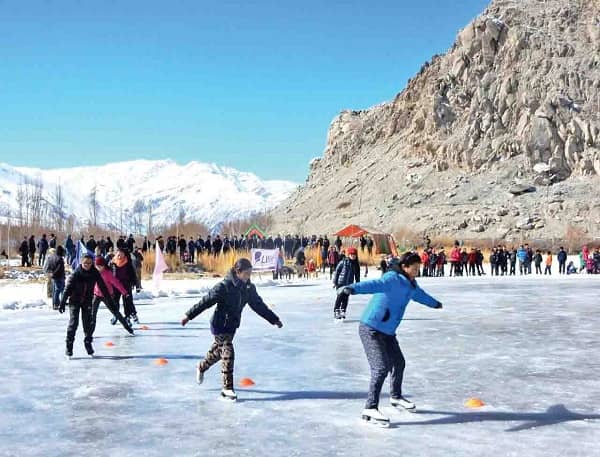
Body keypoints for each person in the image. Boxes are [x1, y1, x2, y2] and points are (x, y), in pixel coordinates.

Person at [339, 252, 443, 426]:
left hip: (388, 331)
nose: (417, 271)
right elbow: (374, 284)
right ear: (404, 266)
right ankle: (370, 408)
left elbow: (421, 296)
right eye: (414, 268)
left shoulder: (411, 285)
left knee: (399, 363)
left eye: (419, 268)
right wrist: (353, 288)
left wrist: (435, 303)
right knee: (381, 368)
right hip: (371, 328)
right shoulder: (392, 279)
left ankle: (395, 397)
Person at [180, 258, 283, 401]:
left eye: (250, 274)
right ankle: (227, 389)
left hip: (232, 326)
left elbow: (259, 305)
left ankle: (201, 366)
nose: (248, 277)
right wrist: (188, 315)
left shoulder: (249, 289)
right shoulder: (224, 286)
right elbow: (206, 301)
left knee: (218, 352)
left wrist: (274, 319)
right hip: (219, 325)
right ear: (238, 272)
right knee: (228, 350)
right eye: (246, 274)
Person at [59, 254, 115, 357]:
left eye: (89, 263)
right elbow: (68, 289)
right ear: (81, 262)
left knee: (88, 324)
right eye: (85, 263)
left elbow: (103, 287)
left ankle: (88, 343)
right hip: (75, 301)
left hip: (87, 301)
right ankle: (69, 346)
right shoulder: (76, 273)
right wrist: (62, 302)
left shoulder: (95, 273)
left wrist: (110, 301)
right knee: (73, 323)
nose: (87, 265)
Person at [91, 256, 134, 335]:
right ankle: (89, 334)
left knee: (116, 313)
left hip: (107, 296)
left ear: (104, 266)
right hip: (97, 295)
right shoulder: (94, 273)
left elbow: (117, 283)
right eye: (96, 266)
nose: (98, 268)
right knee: (92, 315)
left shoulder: (108, 274)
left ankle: (128, 328)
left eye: (100, 266)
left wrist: (124, 292)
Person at [332, 246, 360, 320]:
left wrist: (358, 284)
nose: (353, 256)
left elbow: (357, 275)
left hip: (349, 283)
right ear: (349, 255)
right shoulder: (343, 262)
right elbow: (337, 272)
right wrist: (335, 282)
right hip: (340, 283)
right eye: (351, 255)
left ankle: (343, 310)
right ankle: (336, 310)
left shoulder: (356, 264)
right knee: (340, 296)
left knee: (346, 297)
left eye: (354, 255)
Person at [44, 246, 66, 310]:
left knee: (55, 290)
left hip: (53, 276)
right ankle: (57, 304)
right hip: (59, 276)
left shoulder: (50, 257)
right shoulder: (60, 259)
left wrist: (50, 273)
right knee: (59, 290)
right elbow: (59, 269)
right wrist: (54, 273)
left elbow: (47, 267)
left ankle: (56, 303)